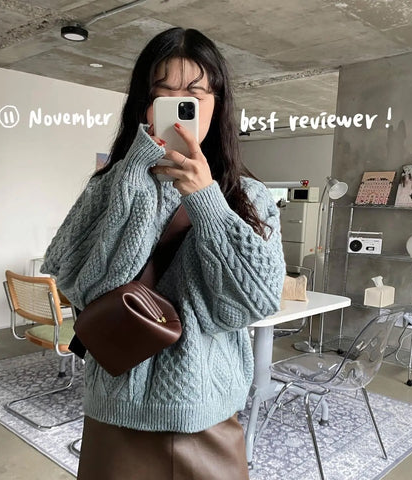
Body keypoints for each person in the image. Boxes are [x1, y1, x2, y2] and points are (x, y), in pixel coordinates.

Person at [41, 27, 285, 480]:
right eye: (163, 92)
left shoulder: (247, 196)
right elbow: (78, 285)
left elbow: (253, 303)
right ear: (144, 105)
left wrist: (207, 201)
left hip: (205, 413)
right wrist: (132, 179)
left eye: (194, 94)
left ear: (217, 104)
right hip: (117, 409)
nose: (179, 105)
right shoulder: (109, 184)